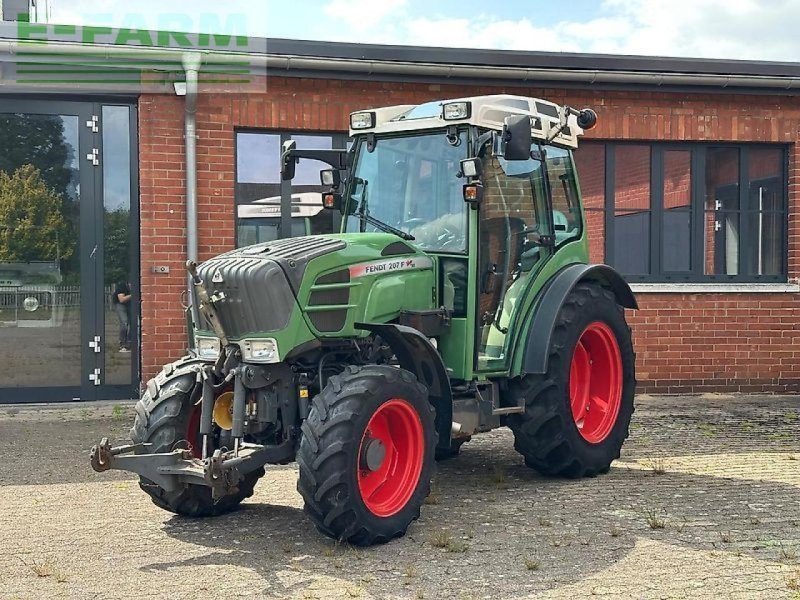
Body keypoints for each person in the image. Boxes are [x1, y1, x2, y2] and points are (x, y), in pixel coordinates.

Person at [112, 281, 132, 353]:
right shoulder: (122, 286)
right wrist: (134, 294)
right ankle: (122, 344)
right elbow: (121, 299)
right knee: (124, 323)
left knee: (134, 323)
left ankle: (129, 343)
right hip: (120, 304)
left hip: (130, 304)